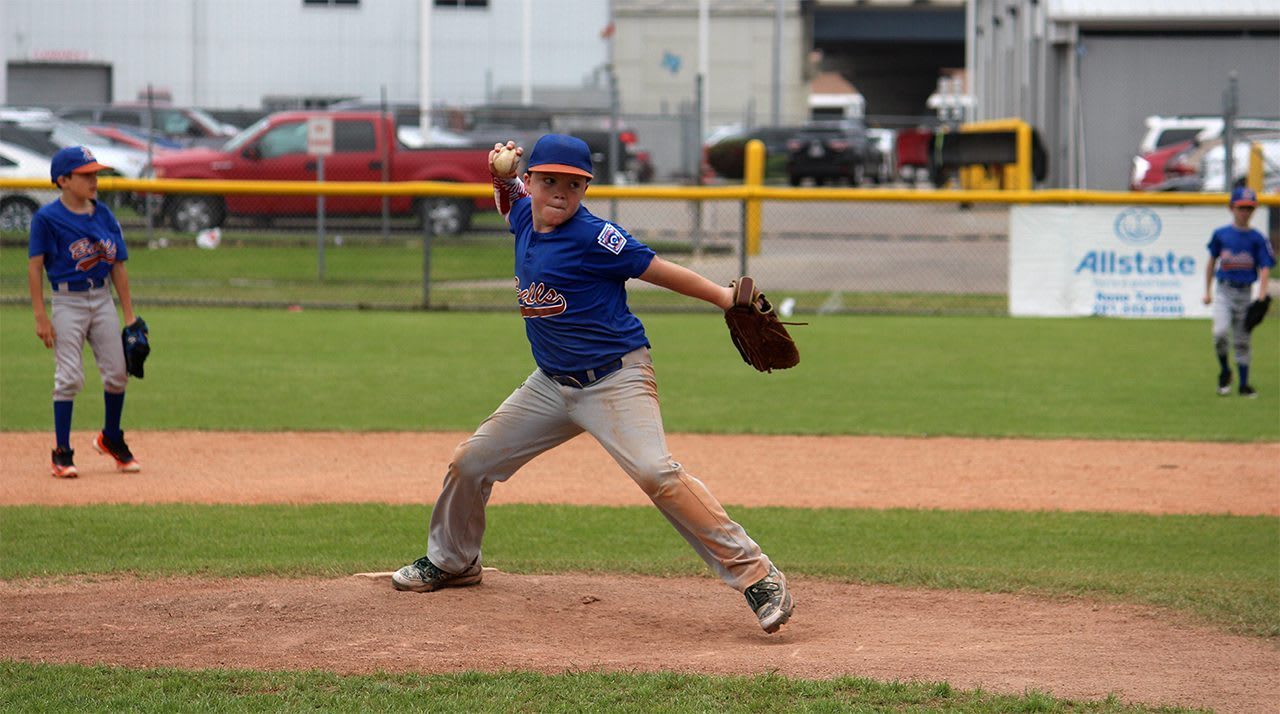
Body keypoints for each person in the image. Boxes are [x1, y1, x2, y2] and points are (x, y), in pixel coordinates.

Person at [392, 134, 795, 634]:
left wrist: (721, 297)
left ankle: (758, 576)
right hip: (549, 385)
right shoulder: (522, 216)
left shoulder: (596, 237)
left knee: (656, 473)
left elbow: (657, 270)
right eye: (549, 180)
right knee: (470, 461)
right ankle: (454, 561)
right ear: (532, 181)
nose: (560, 192)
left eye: (573, 184)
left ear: (585, 188)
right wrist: (500, 173)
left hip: (616, 379)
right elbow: (508, 199)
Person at [27, 146, 143, 478]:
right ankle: (62, 453)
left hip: (102, 298)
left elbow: (118, 266)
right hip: (67, 303)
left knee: (118, 373)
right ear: (63, 180)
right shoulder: (47, 219)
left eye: (96, 173)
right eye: (86, 174)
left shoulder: (104, 214)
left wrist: (130, 316)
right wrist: (40, 317)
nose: (94, 179)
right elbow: (35, 268)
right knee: (69, 378)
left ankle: (111, 437)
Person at [1204, 186, 1274, 398]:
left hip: (1245, 293)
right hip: (1224, 291)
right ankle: (1225, 371)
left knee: (1242, 340)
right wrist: (1206, 291)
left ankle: (1244, 385)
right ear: (1231, 208)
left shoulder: (1257, 238)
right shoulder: (1221, 235)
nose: (1244, 212)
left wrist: (1261, 297)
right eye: (1241, 207)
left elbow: (1264, 268)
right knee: (1219, 334)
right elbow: (1211, 262)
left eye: (1249, 208)